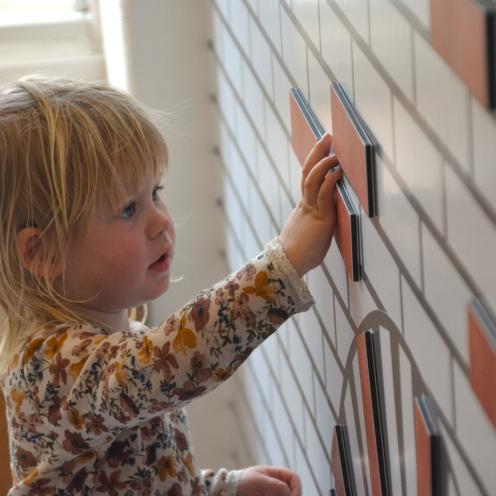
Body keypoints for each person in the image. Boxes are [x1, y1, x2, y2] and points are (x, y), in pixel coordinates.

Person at [0, 76, 342, 495]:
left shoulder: (109, 344)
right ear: (44, 253)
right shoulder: (51, 369)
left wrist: (220, 488)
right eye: (128, 209)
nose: (161, 220)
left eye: (155, 193)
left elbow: (141, 479)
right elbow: (176, 360)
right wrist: (285, 261)